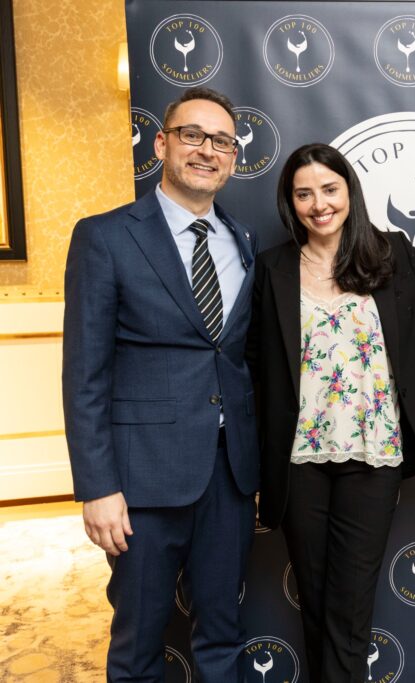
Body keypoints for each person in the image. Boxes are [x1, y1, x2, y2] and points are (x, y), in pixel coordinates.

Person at [247, 142, 415, 682]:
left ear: (350, 191)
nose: (319, 204)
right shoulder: (272, 268)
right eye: (304, 194)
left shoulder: (389, 253)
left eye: (329, 189)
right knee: (317, 598)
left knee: (350, 604)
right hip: (298, 460)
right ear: (289, 202)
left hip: (373, 456)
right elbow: (254, 363)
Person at [63, 87, 259, 681]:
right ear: (161, 144)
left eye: (221, 141)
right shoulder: (105, 236)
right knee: (139, 643)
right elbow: (85, 374)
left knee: (223, 635)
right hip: (141, 482)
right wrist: (98, 487)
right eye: (192, 135)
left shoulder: (243, 240)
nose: (206, 150)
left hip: (228, 477)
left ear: (232, 158)